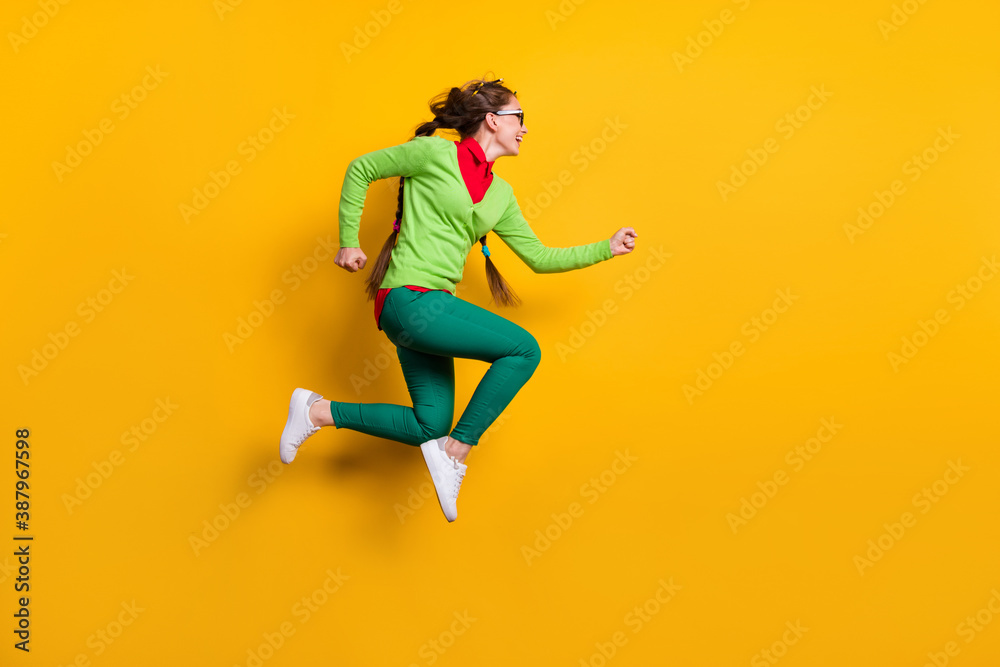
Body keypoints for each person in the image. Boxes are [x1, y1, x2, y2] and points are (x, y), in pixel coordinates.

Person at [279, 75, 637, 522]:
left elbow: (540, 258)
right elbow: (361, 169)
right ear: (492, 120)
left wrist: (607, 247)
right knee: (523, 349)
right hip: (408, 299)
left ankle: (316, 411)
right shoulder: (434, 154)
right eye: (519, 118)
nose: (525, 128)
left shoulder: (501, 196)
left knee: (428, 425)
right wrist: (348, 241)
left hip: (428, 313)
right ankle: (456, 452)